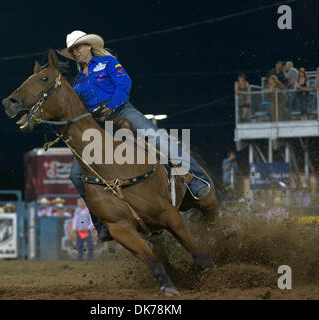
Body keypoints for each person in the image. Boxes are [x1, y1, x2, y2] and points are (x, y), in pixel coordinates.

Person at [57, 30, 214, 242]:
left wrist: (110, 107)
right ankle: (101, 222)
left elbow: (124, 85)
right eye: (72, 50)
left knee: (159, 140)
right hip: (100, 126)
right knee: (76, 174)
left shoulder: (108, 63)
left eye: (78, 47)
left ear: (88, 46)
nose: (76, 52)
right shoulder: (76, 83)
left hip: (122, 111)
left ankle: (196, 180)